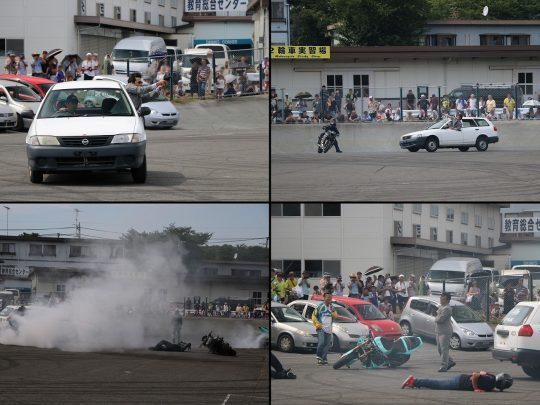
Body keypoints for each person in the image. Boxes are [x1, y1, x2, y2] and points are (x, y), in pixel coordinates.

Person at [401, 371, 513, 392]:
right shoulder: (489, 382)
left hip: (461, 379)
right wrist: (476, 388)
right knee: (437, 384)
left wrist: (489, 388)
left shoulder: (492, 379)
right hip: (459, 382)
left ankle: (416, 383)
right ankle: (414, 381)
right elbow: (475, 375)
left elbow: (482, 372)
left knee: (437, 384)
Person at [312, 292, 337, 365]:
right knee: (322, 343)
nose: (329, 298)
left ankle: (324, 359)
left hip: (329, 329)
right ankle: (319, 357)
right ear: (324, 298)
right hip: (321, 328)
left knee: (327, 345)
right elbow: (313, 316)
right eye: (328, 297)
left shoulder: (332, 307)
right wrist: (317, 324)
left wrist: (333, 311)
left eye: (330, 297)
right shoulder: (320, 306)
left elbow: (335, 316)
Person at [435, 292, 456, 372]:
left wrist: (436, 318)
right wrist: (437, 316)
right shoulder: (441, 307)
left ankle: (444, 366)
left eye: (443, 299)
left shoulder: (447, 308)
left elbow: (440, 319)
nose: (441, 300)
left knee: (444, 349)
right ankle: (450, 361)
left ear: (447, 300)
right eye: (441, 298)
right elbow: (437, 316)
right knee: (440, 349)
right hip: (438, 330)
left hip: (445, 331)